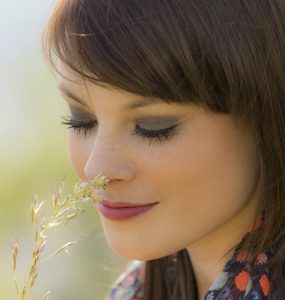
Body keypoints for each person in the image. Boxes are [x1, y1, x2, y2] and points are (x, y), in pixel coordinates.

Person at [42, 1, 285, 299]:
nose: (96, 169)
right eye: (82, 120)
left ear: (266, 111)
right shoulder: (136, 290)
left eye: (153, 126)